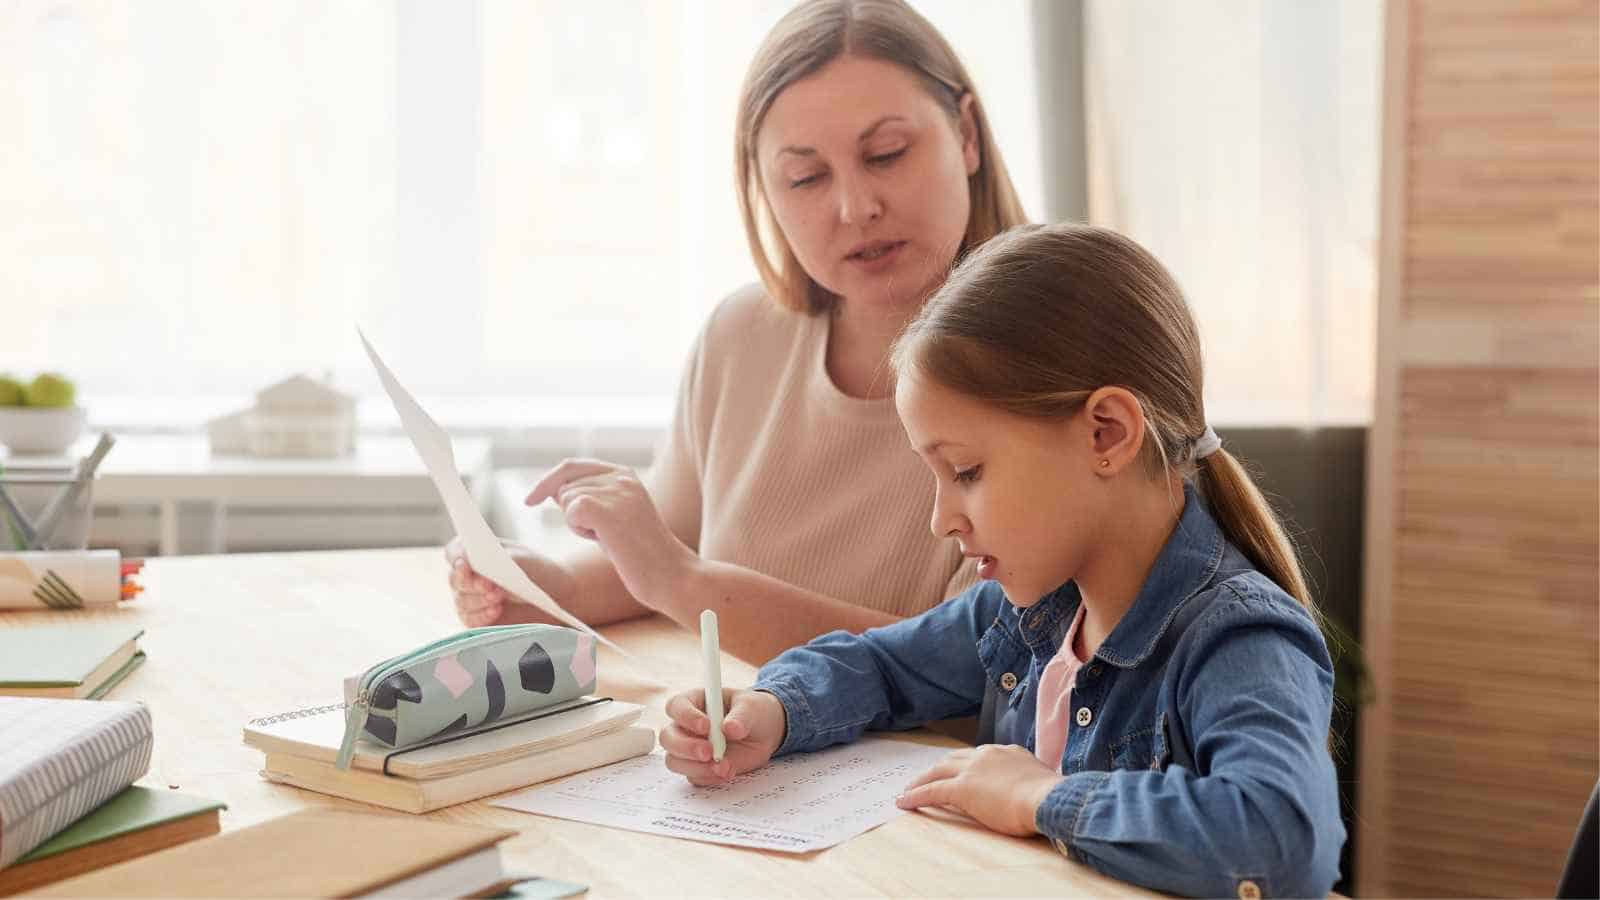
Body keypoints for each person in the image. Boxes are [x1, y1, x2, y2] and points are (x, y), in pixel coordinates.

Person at [658, 224, 1346, 898]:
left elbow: (1281, 841)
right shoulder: (1031, 611)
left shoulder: (1241, 640)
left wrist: (1043, 798)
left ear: (1106, 433)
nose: (941, 518)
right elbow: (883, 666)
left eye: (966, 471)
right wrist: (769, 712)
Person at [447, 0, 1029, 663]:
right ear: (764, 190)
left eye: (887, 154)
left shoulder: (1050, 361)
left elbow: (978, 668)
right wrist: (554, 587)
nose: (856, 207)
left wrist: (681, 581)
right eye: (805, 177)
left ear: (967, 135)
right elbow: (669, 552)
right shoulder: (743, 337)